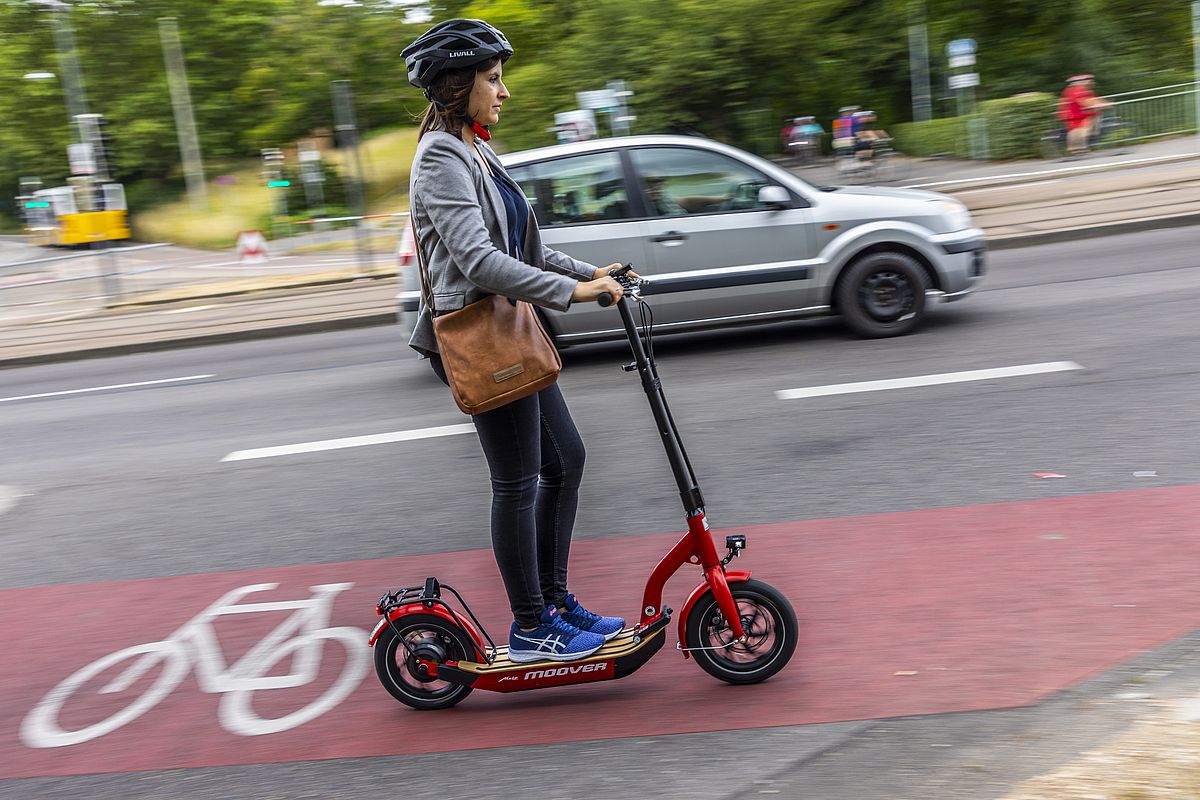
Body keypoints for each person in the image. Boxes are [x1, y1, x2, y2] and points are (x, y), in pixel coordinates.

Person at [401, 18, 630, 663]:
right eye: (493, 79)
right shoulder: (440, 156)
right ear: (457, 86)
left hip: (510, 324)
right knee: (518, 481)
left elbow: (521, 247)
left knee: (567, 462)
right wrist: (575, 295)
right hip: (481, 334)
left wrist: (592, 274)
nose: (504, 91)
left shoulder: (474, 147)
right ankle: (531, 626)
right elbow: (478, 261)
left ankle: (555, 603)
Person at [1058, 74, 1112, 157]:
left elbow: (1093, 99)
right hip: (1074, 114)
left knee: (1086, 128)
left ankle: (1082, 149)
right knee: (1080, 130)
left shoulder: (1085, 90)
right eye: (1090, 80)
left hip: (1081, 113)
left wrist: (1105, 103)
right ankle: (1077, 149)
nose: (1092, 82)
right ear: (1082, 81)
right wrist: (1095, 105)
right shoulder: (1076, 89)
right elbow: (1082, 100)